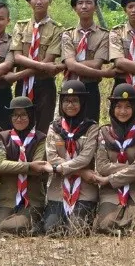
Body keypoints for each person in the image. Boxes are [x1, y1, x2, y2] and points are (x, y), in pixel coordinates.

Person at [92, 83, 135, 233]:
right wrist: (133, 168)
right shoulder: (104, 132)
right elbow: (101, 166)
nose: (123, 111)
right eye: (118, 106)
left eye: (128, 106)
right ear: (112, 109)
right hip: (111, 189)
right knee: (105, 224)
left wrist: (112, 177)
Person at [44, 79, 99, 233]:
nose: (70, 105)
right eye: (66, 101)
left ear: (82, 103)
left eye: (75, 101)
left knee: (78, 230)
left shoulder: (91, 128)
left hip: (85, 188)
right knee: (52, 229)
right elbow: (52, 158)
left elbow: (86, 158)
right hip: (58, 188)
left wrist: (59, 168)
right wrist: (81, 171)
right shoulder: (54, 127)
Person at [11, 0, 66, 134]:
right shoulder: (20, 26)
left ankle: (40, 155)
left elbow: (48, 60)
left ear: (50, 1)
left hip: (45, 84)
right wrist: (40, 66)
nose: (39, 1)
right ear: (29, 2)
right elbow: (17, 57)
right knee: (20, 121)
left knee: (43, 125)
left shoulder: (57, 29)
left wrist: (20, 73)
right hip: (23, 84)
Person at [0, 96, 50, 235]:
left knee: (11, 227)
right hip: (8, 199)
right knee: (3, 226)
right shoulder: (3, 137)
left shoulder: (40, 138)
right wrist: (30, 166)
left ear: (30, 115)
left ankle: (34, 223)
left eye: (23, 114)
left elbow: (40, 168)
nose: (19, 119)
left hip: (32, 199)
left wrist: (11, 166)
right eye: (15, 115)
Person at [61, 0, 113, 123]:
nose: (84, 6)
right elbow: (70, 65)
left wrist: (73, 64)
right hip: (69, 86)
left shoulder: (104, 35)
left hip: (90, 86)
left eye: (89, 3)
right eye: (80, 3)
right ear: (75, 8)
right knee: (66, 126)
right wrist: (102, 73)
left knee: (90, 125)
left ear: (95, 7)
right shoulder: (68, 34)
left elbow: (97, 64)